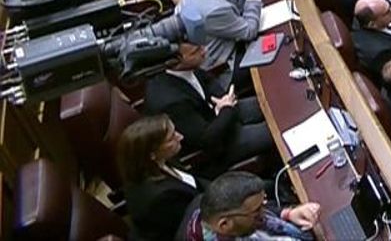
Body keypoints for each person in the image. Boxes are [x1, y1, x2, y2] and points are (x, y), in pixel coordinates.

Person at [142, 40, 275, 175]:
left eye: (200, 46)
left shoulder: (186, 68)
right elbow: (208, 138)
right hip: (220, 146)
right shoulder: (172, 103)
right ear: (174, 62)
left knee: (273, 101)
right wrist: (226, 108)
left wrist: (223, 99)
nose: (204, 51)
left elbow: (209, 80)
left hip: (221, 114)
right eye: (195, 52)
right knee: (276, 130)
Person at [119, 115, 206, 241]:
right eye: (171, 138)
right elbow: (193, 226)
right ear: (152, 154)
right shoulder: (160, 199)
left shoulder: (161, 161)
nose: (180, 136)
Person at [179, 170, 319, 240]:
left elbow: (255, 209)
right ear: (224, 224)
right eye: (257, 210)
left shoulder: (210, 207)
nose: (263, 214)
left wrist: (288, 213)